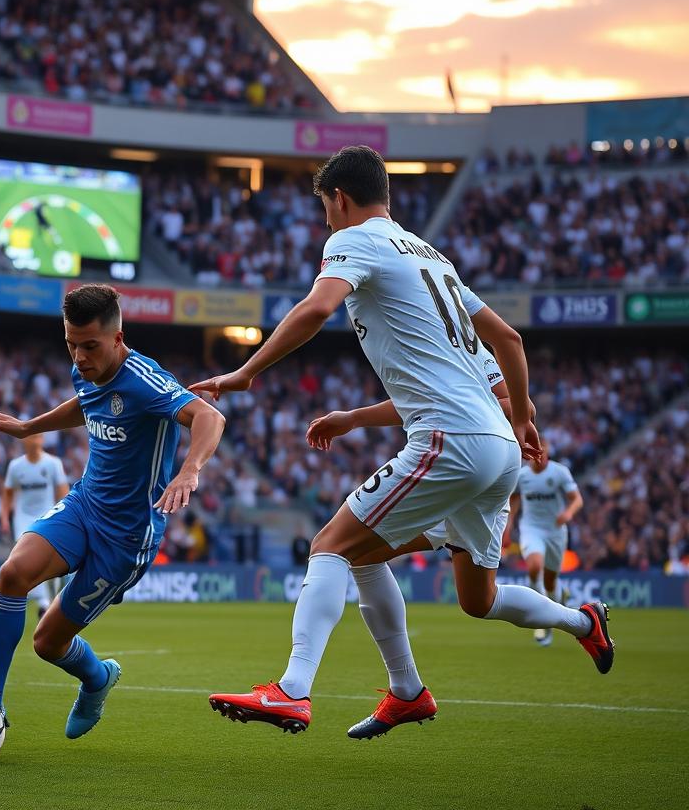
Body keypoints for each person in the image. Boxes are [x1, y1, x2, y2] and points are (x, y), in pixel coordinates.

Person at [194, 145, 614, 740]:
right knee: (472, 596)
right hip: (496, 450)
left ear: (339, 198)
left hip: (453, 440)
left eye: (325, 209)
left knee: (332, 545)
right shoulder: (432, 258)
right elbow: (510, 343)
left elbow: (316, 308)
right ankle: (577, 622)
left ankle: (292, 690)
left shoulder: (354, 240)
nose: (326, 223)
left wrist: (246, 372)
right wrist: (519, 420)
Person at [0, 284, 226, 740]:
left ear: (118, 338)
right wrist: (29, 426)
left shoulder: (145, 381)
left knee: (47, 643)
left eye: (90, 346)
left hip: (127, 537)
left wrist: (189, 471)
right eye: (71, 344)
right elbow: (87, 405)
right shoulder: (83, 369)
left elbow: (210, 417)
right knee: (12, 574)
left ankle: (97, 678)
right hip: (85, 504)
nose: (80, 356)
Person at [505, 439, 583, 647]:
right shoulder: (522, 476)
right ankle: (541, 621)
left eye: (542, 451)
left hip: (556, 532)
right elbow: (514, 500)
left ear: (548, 452)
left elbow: (577, 499)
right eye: (535, 452)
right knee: (534, 566)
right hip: (531, 529)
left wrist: (568, 512)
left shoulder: (559, 472)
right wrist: (509, 525)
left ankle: (558, 597)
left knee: (550, 582)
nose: (539, 456)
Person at [2, 434, 70, 618]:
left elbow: (64, 492)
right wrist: (3, 518)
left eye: (38, 437)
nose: (34, 440)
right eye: (31, 437)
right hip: (23, 519)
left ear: (42, 440)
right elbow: (7, 493)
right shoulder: (16, 466)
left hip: (48, 516)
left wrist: (66, 519)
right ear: (24, 441)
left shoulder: (53, 463)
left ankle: (50, 602)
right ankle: (44, 603)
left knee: (52, 563)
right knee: (28, 560)